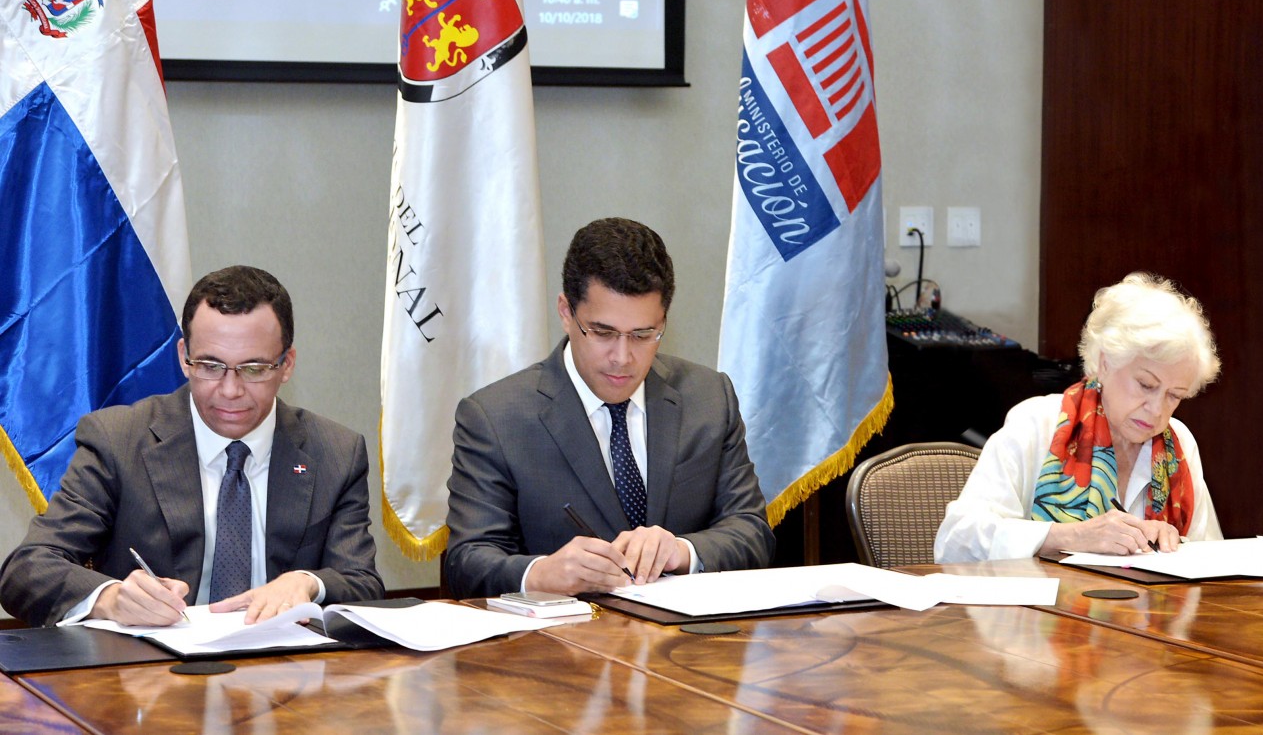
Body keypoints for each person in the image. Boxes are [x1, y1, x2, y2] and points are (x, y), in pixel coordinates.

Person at [0, 266, 382, 627]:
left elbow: (363, 584)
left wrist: (309, 583)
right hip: (149, 677)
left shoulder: (335, 452)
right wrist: (111, 598)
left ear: (286, 365)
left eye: (253, 369)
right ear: (184, 358)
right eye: (211, 366)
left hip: (286, 674)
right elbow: (27, 571)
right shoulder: (119, 440)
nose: (230, 391)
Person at [444, 218, 775, 599]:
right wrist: (539, 573)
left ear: (663, 321)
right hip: (561, 647)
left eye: (642, 335)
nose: (622, 357)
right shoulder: (495, 417)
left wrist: (682, 552)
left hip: (689, 644)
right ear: (566, 312)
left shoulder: (708, 397)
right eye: (602, 333)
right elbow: (466, 562)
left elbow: (751, 531)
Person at [935, 272, 1224, 563]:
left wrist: (1176, 544)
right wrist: (1071, 537)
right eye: (1146, 385)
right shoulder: (1037, 424)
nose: (1157, 409)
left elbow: (1212, 559)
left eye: (1174, 395)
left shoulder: (1180, 443)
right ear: (1105, 363)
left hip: (1152, 609)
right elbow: (956, 542)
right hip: (1039, 607)